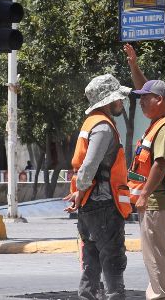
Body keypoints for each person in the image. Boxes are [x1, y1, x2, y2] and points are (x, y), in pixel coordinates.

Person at [125, 43, 165, 300]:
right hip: (164, 201)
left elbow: (160, 165)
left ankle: (162, 296)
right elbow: (148, 88)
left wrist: (143, 194)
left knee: (156, 256)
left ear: (160, 101)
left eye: (145, 99)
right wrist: (134, 65)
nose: (140, 103)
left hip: (157, 201)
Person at [64, 73, 133, 300]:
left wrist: (78, 194)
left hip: (90, 205)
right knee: (112, 262)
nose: (121, 102)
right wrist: (80, 191)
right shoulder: (103, 128)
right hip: (103, 205)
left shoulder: (91, 122)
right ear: (107, 100)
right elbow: (89, 166)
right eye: (118, 98)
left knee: (91, 264)